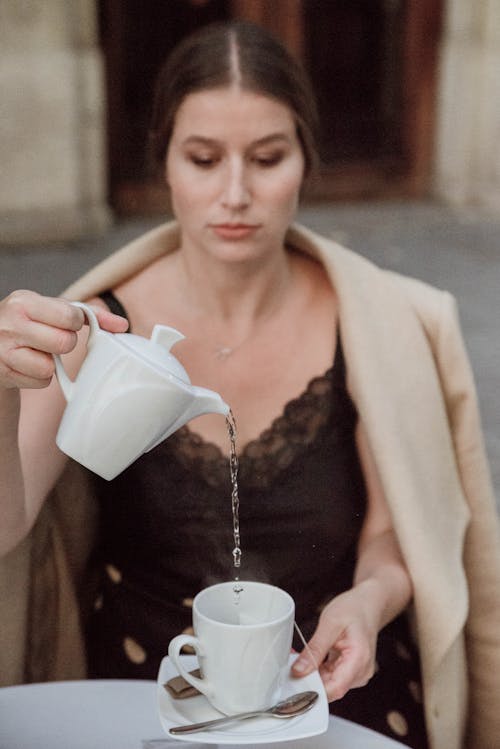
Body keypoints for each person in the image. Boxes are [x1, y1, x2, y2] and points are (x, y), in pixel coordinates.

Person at [0, 20, 499, 749]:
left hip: (327, 682)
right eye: (203, 159)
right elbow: (6, 528)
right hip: (142, 687)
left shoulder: (375, 324)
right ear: (164, 163)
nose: (235, 192)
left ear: (306, 160)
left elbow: (395, 531)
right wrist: (2, 388)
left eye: (267, 157)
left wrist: (368, 601)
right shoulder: (99, 330)